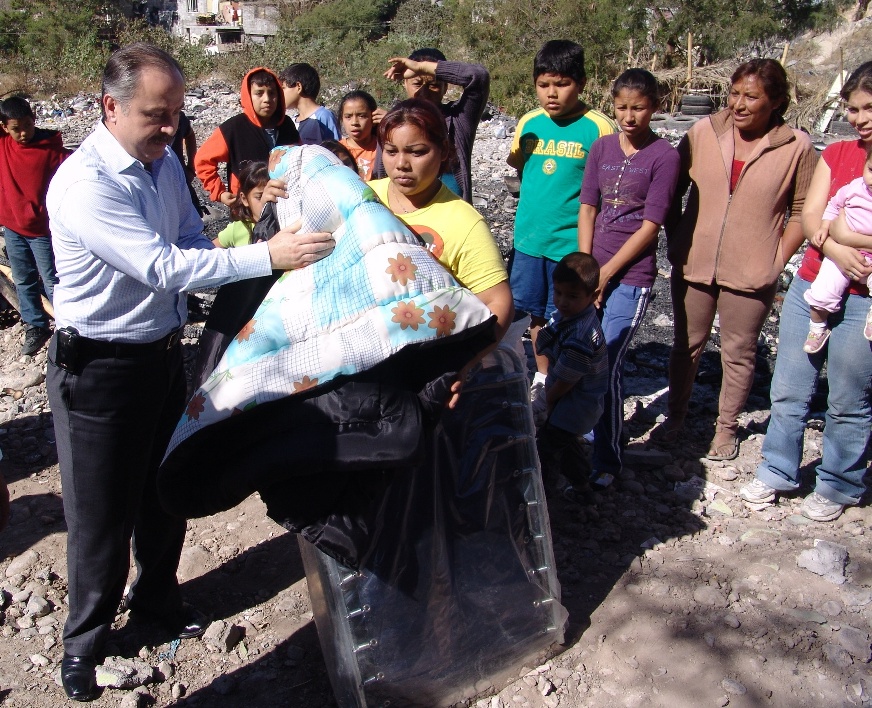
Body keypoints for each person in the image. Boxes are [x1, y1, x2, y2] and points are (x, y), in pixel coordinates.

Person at [45, 43, 334, 702]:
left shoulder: (161, 165)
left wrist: (246, 251)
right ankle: (83, 644)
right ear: (110, 107)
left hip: (158, 357)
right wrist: (267, 257)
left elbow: (192, 245)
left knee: (163, 491)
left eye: (176, 112)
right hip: (97, 371)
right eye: (156, 114)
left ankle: (156, 602)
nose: (171, 127)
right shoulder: (85, 183)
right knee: (99, 516)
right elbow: (162, 268)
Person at [658, 58, 817, 462]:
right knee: (685, 347)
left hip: (753, 269)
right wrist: (677, 237)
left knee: (740, 351)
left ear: (777, 102)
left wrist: (777, 259)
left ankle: (726, 428)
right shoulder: (702, 131)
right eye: (735, 94)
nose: (739, 104)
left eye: (752, 97)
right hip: (694, 261)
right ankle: (675, 418)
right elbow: (671, 189)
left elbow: (802, 209)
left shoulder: (796, 147)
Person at [740, 61, 872, 522]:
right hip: (813, 281)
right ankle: (777, 468)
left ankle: (839, 483)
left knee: (848, 395)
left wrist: (844, 240)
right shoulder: (837, 154)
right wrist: (836, 245)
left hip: (865, 299)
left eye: (868, 108)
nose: (860, 119)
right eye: (853, 109)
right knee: (791, 384)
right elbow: (813, 218)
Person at [370, 98, 513, 402]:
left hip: (421, 368)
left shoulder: (463, 220)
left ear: (444, 152)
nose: (401, 164)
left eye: (417, 152)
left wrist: (462, 363)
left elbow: (498, 301)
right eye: (391, 151)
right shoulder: (367, 196)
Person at [578, 68, 680, 482]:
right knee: (583, 355)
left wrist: (606, 275)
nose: (629, 116)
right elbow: (588, 208)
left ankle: (608, 458)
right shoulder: (601, 147)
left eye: (638, 108)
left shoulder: (665, 156)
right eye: (622, 107)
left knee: (609, 361)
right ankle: (581, 436)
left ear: (654, 107)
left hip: (631, 274)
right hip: (594, 268)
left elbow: (650, 227)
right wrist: (586, 269)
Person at [507, 39, 615, 397]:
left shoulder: (599, 128)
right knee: (534, 314)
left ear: (581, 83)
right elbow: (522, 171)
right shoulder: (529, 124)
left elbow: (605, 189)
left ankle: (569, 380)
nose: (551, 93)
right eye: (543, 85)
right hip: (529, 240)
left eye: (562, 84)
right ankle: (542, 375)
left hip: (570, 245)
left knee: (569, 315)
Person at [533, 252, 608, 501]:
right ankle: (582, 487)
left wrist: (549, 400)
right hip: (572, 398)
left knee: (547, 446)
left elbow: (568, 378)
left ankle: (543, 496)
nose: (562, 301)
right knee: (566, 444)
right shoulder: (570, 317)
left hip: (575, 401)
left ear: (593, 296)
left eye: (572, 296)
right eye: (558, 293)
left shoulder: (580, 334)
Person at [0, 95, 69, 355]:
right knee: (23, 278)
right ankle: (35, 326)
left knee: (53, 279)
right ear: (4, 127)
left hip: (42, 230)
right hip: (12, 226)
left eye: (27, 125)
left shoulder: (52, 149)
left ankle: (67, 328)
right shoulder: (4, 144)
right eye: (15, 128)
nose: (23, 133)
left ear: (34, 120)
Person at [382, 47, 490, 202]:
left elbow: (479, 78)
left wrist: (421, 68)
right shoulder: (393, 124)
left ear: (445, 87)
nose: (424, 92)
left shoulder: (458, 119)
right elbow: (381, 173)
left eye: (434, 85)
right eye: (417, 83)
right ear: (405, 83)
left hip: (452, 216)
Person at [195, 67, 299, 207]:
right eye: (259, 93)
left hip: (283, 204)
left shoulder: (287, 125)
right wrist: (219, 192)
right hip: (246, 209)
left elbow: (299, 159)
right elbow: (203, 160)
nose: (267, 99)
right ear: (248, 96)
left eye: (272, 93)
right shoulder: (233, 128)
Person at [802, 144, 872, 352]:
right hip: (837, 255)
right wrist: (825, 227)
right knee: (823, 291)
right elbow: (832, 206)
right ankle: (817, 328)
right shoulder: (854, 189)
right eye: (871, 170)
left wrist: (847, 237)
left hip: (868, 258)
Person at [279, 63, 342, 144]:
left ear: (298, 87)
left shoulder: (323, 117)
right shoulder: (292, 122)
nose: (280, 93)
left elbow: (336, 150)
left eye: (283, 88)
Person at [212, 160, 269, 248]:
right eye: (259, 197)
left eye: (272, 195)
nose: (266, 201)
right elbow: (208, 252)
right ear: (244, 199)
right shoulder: (237, 230)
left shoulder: (286, 224)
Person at [338, 89, 379, 180]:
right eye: (348, 117)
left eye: (362, 116)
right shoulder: (337, 151)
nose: (354, 122)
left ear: (374, 117)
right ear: (342, 119)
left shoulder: (383, 148)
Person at [170, 109, 204, 216]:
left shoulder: (177, 117)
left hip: (182, 182)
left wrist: (191, 168)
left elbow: (189, 135)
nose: (169, 129)